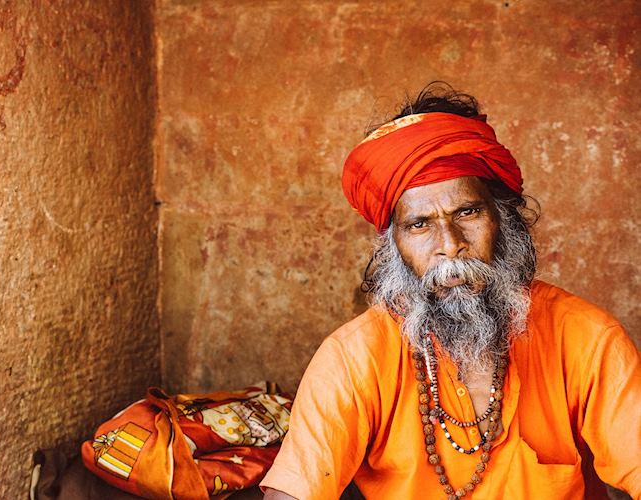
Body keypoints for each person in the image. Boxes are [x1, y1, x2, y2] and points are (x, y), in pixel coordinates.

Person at [259, 83, 640, 499]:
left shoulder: (586, 338)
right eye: (420, 224)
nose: (450, 243)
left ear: (504, 220)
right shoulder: (354, 358)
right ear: (394, 246)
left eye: (468, 212)